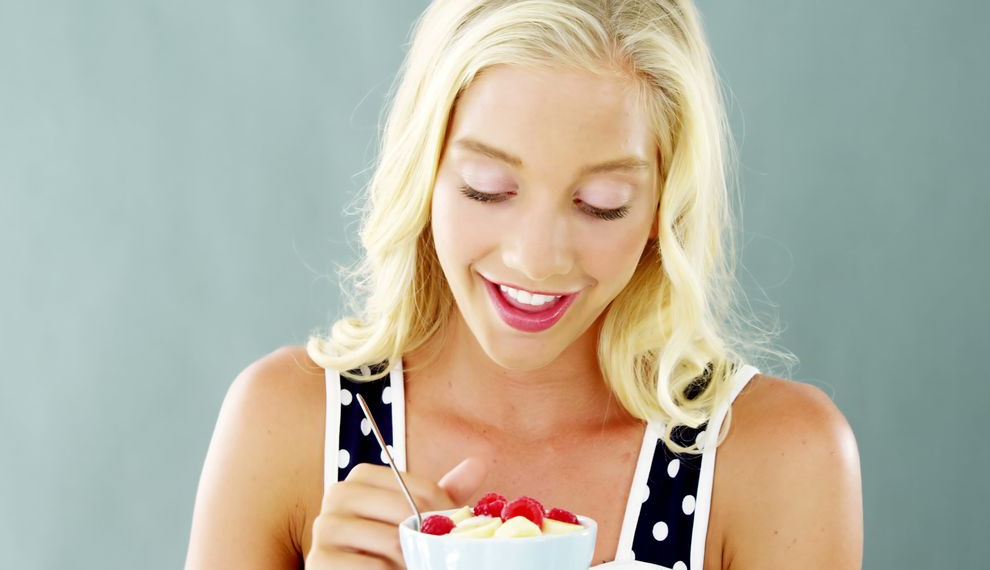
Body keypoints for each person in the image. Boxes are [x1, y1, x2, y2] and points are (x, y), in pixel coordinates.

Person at [183, 1, 863, 568]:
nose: (537, 260)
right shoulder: (286, 426)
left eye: (601, 202)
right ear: (426, 173)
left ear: (663, 205)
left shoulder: (779, 457)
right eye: (489, 189)